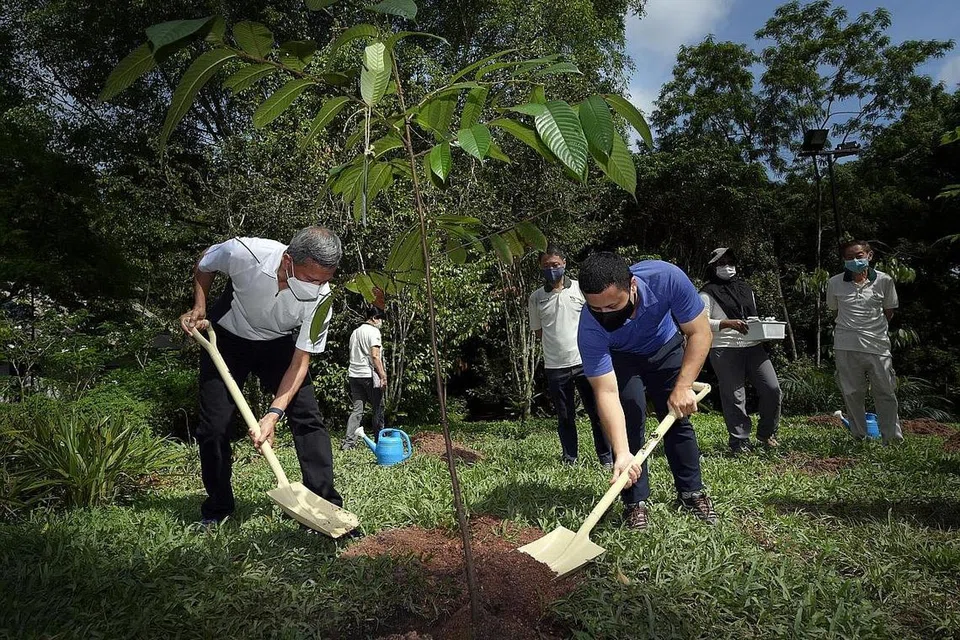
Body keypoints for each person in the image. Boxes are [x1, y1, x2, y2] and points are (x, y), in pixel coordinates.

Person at [179, 226, 344, 526]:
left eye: (325, 280)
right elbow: (205, 262)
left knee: (308, 417)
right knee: (214, 427)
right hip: (227, 339)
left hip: (279, 345)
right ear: (288, 261)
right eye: (311, 278)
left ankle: (324, 504)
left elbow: (300, 361)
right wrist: (199, 307)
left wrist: (272, 414)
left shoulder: (323, 299)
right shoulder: (246, 254)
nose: (318, 287)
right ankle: (218, 508)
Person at [578, 252, 717, 530]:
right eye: (597, 309)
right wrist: (620, 453)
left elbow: (700, 333)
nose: (605, 314)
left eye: (613, 305)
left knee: (677, 419)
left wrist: (684, 386)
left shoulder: (666, 279)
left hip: (664, 347)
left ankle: (692, 493)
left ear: (632, 286)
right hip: (621, 357)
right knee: (629, 424)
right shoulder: (589, 328)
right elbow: (606, 392)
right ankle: (634, 503)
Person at [528, 244, 612, 468]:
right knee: (565, 417)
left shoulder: (581, 290)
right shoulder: (536, 298)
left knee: (598, 412)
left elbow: (596, 320)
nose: (551, 269)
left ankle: (606, 458)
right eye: (546, 266)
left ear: (564, 263)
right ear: (540, 267)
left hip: (586, 362)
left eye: (555, 264)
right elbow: (538, 331)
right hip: (555, 366)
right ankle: (570, 459)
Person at [700, 247, 782, 454]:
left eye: (730, 262)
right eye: (721, 263)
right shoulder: (706, 293)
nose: (727, 267)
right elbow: (701, 323)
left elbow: (750, 314)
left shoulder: (746, 289)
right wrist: (727, 323)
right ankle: (739, 441)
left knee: (772, 389)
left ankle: (767, 433)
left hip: (753, 346)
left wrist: (757, 323)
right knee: (735, 396)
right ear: (713, 267)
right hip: (725, 348)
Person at [826, 240, 903, 444]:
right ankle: (859, 436)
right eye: (849, 258)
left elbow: (889, 312)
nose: (855, 260)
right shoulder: (834, 282)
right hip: (845, 345)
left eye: (859, 256)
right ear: (844, 260)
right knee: (852, 393)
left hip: (878, 346)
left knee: (885, 392)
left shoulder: (884, 281)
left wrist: (871, 329)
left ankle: (892, 439)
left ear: (869, 255)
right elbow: (834, 310)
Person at [341, 306, 387, 450]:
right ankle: (380, 441)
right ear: (374, 318)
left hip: (354, 374)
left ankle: (349, 443)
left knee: (357, 410)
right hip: (368, 375)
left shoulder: (355, 332)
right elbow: (375, 356)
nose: (381, 322)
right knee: (378, 408)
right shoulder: (374, 332)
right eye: (380, 318)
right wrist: (383, 376)